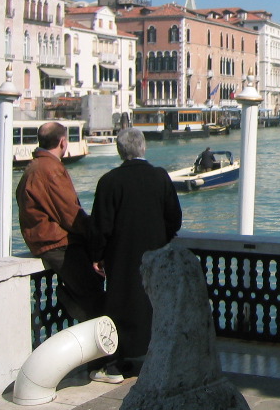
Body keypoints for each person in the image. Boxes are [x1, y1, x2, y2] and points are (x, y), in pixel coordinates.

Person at [89, 128, 182, 383]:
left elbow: (100, 226)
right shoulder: (160, 177)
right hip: (156, 256)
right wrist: (161, 241)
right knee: (154, 306)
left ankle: (115, 364)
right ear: (144, 148)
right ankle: (157, 356)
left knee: (119, 307)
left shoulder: (109, 181)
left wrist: (98, 255)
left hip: (121, 258)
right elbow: (174, 217)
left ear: (121, 151)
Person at [15, 121, 105, 323]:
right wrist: (96, 233)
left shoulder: (33, 168)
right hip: (59, 245)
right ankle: (103, 352)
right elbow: (70, 213)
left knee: (91, 291)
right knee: (95, 299)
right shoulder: (50, 169)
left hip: (43, 242)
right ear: (63, 142)